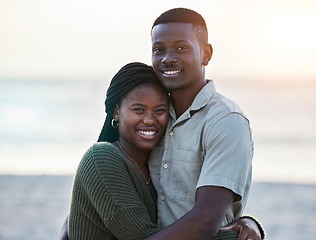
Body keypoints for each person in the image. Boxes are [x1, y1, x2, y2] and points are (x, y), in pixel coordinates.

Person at [66, 62, 244, 240]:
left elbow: (173, 228)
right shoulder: (102, 158)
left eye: (160, 110)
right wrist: (237, 237)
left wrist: (247, 222)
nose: (150, 120)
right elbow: (145, 236)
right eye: (139, 110)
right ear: (116, 112)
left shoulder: (157, 164)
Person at [146, 7, 265, 240]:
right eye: (159, 50)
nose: (168, 58)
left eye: (181, 48)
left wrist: (251, 223)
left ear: (206, 54)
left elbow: (205, 222)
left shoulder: (226, 121)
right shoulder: (150, 117)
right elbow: (100, 171)